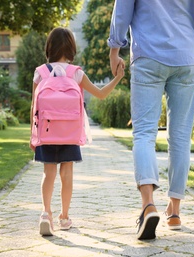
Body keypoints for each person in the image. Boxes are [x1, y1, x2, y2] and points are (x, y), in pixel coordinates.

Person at [108, 1, 194, 240]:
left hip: (148, 55)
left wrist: (114, 50)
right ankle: (175, 212)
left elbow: (122, 10)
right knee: (180, 136)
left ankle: (148, 205)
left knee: (144, 134)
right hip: (186, 57)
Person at [30, 27, 125, 236]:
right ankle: (64, 217)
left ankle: (46, 213)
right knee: (67, 173)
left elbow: (34, 106)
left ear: (50, 47)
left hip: (46, 132)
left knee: (48, 173)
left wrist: (33, 135)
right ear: (71, 48)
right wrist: (117, 78)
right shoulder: (76, 73)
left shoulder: (41, 72)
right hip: (70, 133)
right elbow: (100, 94)